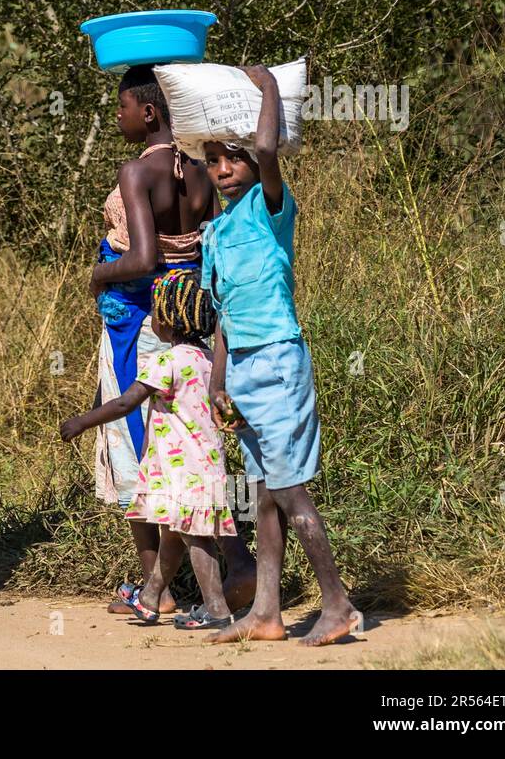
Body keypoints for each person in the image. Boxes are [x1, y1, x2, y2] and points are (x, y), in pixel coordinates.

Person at [86, 66, 256, 616]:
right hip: (193, 324)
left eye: (124, 107)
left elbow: (143, 258)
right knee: (192, 450)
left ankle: (151, 589)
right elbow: (197, 253)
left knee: (140, 446)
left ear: (150, 112)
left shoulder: (137, 172)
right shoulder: (202, 174)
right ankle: (231, 567)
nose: (119, 116)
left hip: (143, 323)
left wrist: (97, 275)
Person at [202, 65, 358, 646]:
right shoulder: (215, 232)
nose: (223, 169)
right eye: (214, 159)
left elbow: (267, 145)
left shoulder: (272, 207)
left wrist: (267, 86)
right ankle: (266, 613)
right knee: (265, 495)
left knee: (289, 490)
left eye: (233, 158)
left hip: (278, 362)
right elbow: (221, 314)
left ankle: (337, 603)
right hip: (241, 367)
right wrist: (219, 383)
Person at [62, 269, 238, 630]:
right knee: (174, 533)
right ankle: (150, 597)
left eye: (156, 312)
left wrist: (82, 421)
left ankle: (217, 609)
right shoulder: (207, 361)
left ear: (168, 322)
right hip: (205, 464)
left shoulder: (167, 361)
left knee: (197, 538)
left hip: (182, 469)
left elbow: (126, 403)